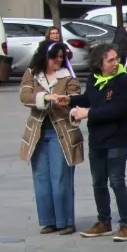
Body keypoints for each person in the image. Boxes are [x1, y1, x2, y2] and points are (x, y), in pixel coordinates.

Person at [68, 44, 127, 241]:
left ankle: (126, 225)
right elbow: (89, 99)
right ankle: (104, 221)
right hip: (97, 138)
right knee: (98, 182)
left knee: (116, 181)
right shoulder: (94, 79)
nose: (116, 63)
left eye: (116, 59)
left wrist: (87, 113)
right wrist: (69, 100)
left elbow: (117, 110)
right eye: (110, 60)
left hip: (117, 138)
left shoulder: (124, 81)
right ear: (99, 64)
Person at [18, 40, 83, 235]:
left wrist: (66, 101)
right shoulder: (32, 74)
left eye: (62, 58)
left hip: (60, 132)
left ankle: (66, 221)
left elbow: (75, 97)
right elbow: (25, 96)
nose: (58, 61)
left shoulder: (68, 76)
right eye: (55, 57)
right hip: (38, 132)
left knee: (60, 177)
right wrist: (45, 97)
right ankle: (49, 220)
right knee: (41, 177)